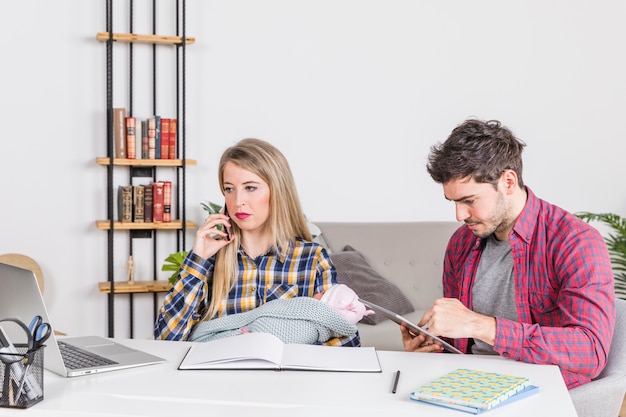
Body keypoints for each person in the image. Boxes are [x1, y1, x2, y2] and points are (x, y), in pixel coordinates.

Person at [401, 118, 615, 390]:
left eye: (469, 201)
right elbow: (459, 347)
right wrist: (428, 346)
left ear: (508, 182)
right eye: (454, 202)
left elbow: (590, 351)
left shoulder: (574, 242)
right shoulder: (461, 243)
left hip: (536, 390)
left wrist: (482, 326)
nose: (459, 215)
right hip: (466, 385)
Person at [154, 138, 360, 347]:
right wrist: (198, 260)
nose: (238, 201)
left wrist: (297, 352)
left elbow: (347, 339)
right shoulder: (209, 261)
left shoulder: (312, 258)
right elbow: (167, 340)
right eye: (229, 189)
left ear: (277, 191)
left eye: (250, 188)